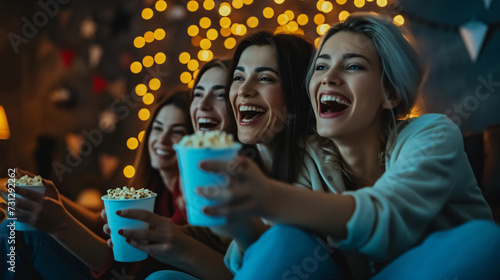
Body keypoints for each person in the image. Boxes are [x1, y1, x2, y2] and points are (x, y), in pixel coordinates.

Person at [198, 13, 500, 279]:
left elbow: (389, 215)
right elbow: (273, 253)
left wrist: (270, 196)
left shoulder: (431, 134)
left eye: (353, 67)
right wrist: (240, 225)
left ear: (391, 93)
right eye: (321, 67)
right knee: (283, 239)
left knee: (483, 240)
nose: (329, 77)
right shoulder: (308, 160)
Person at [106, 59, 239, 280]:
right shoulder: (174, 184)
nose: (203, 104)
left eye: (219, 95)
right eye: (198, 93)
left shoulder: (228, 179)